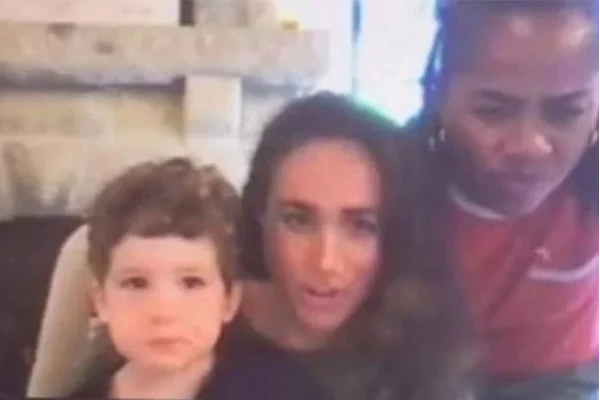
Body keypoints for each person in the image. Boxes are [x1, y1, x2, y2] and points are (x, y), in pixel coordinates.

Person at [27, 93, 475, 400]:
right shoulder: (173, 304)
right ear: (259, 214)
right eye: (297, 219)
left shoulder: (418, 348)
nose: (325, 261)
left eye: (361, 225)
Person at [414, 0, 599, 398]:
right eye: (493, 112)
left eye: (565, 113)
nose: (530, 146)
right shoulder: (384, 194)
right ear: (439, 95)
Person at [67, 158, 325, 399]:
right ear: (101, 301)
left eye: (191, 283)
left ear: (228, 301)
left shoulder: (283, 389)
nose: (164, 311)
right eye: (136, 283)